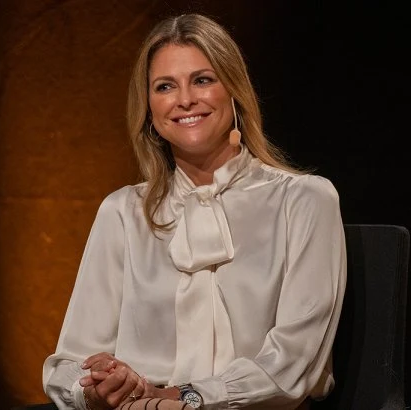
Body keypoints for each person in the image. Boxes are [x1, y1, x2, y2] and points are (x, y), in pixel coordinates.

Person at [42, 13, 346, 410]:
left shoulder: (304, 200)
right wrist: (98, 386)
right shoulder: (122, 212)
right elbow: (68, 365)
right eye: (165, 86)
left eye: (202, 80)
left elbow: (292, 365)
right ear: (150, 109)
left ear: (234, 90)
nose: (184, 99)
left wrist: (182, 397)